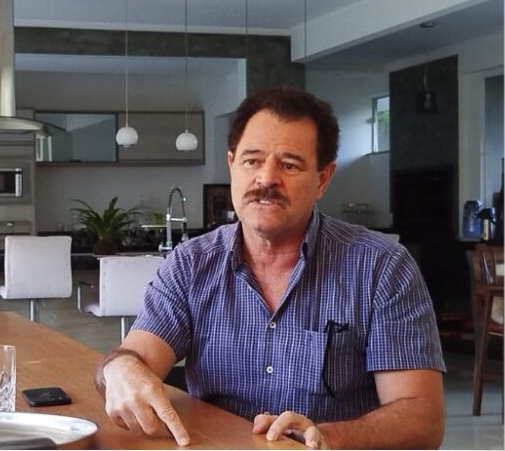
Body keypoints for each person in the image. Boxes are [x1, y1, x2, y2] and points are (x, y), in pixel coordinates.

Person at [94, 86, 446, 449]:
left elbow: (422, 419)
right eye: (252, 161)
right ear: (232, 165)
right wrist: (121, 369)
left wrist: (327, 436)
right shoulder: (191, 264)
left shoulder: (382, 268)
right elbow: (134, 357)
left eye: (289, 165)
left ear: (323, 179)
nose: (266, 179)